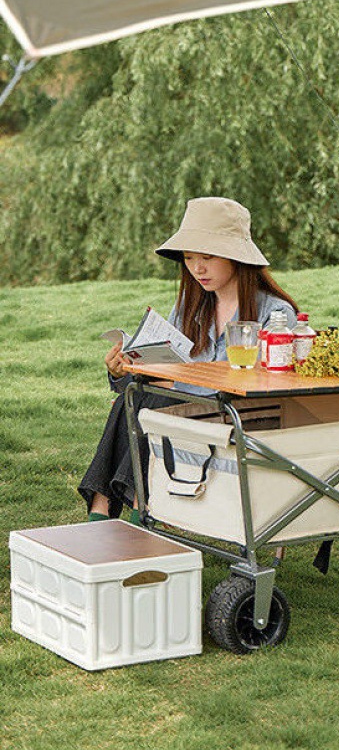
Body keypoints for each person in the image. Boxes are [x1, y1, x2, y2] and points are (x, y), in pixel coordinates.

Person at [79, 196, 298, 522]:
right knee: (134, 395)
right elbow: (161, 372)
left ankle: (116, 511)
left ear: (236, 257)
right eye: (189, 258)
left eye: (208, 257)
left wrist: (172, 383)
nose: (197, 268)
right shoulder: (189, 309)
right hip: (181, 407)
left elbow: (266, 383)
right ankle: (122, 509)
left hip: (235, 414)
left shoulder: (275, 313)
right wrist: (123, 370)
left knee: (145, 400)